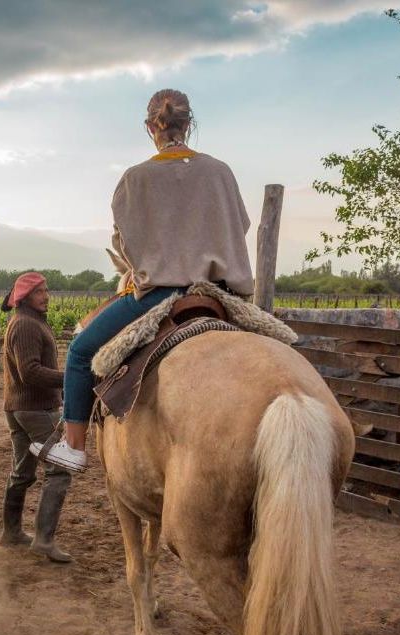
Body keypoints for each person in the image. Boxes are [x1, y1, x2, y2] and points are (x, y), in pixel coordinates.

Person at [33, 88, 254, 473]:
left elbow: (125, 243)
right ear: (189, 124)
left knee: (81, 353)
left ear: (150, 126)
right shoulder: (221, 172)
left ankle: (73, 447)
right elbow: (242, 225)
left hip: (162, 295)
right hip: (222, 292)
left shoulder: (136, 179)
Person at [0, 271, 73, 562]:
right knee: (59, 469)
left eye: (46, 290)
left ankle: (12, 532)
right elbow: (29, 372)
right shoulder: (27, 325)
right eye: (40, 291)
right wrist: (70, 379)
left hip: (18, 408)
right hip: (35, 410)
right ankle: (43, 541)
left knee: (22, 471)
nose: (46, 296)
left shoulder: (25, 322)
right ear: (26, 296)